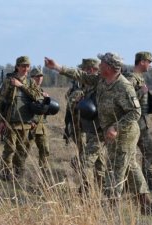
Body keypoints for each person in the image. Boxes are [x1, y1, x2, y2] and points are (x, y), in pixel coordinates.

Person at [45, 52, 152, 214]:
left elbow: (135, 112)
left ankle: (111, 209)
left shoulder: (123, 86)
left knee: (115, 169)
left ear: (110, 68)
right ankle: (145, 202)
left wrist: (115, 128)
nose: (99, 65)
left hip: (124, 133)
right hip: (112, 131)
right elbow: (80, 75)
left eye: (102, 63)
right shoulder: (101, 80)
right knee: (131, 166)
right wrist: (56, 67)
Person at [0, 56, 42, 180]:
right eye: (22, 66)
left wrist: (21, 86)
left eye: (27, 66)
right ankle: (6, 176)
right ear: (17, 67)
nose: (25, 69)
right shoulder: (9, 81)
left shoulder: (31, 82)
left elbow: (37, 97)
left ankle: (18, 176)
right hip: (11, 121)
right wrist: (0, 121)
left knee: (22, 150)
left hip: (26, 122)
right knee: (9, 150)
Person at [124, 52, 152, 192]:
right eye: (149, 62)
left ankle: (145, 180)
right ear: (142, 62)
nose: (150, 65)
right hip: (133, 124)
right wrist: (142, 92)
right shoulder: (131, 78)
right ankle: (133, 183)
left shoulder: (139, 78)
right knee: (131, 155)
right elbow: (125, 99)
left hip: (142, 125)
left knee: (150, 152)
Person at [68, 58, 106, 195]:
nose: (93, 72)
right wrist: (77, 100)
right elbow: (71, 103)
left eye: (95, 70)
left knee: (96, 160)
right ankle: (87, 187)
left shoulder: (100, 85)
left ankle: (101, 188)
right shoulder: (79, 87)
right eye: (91, 70)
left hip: (95, 129)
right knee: (87, 159)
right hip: (80, 129)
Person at [28, 68, 50, 175]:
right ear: (31, 78)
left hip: (41, 126)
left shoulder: (41, 91)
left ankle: (44, 172)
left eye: (41, 76)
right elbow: (22, 108)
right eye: (37, 76)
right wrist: (28, 121)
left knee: (45, 149)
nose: (39, 78)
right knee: (24, 150)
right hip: (30, 125)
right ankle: (18, 171)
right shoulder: (26, 90)